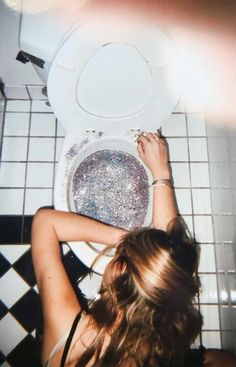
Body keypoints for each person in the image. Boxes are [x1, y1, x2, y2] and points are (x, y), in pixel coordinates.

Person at [31, 132, 236, 367]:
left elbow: (44, 222)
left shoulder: (70, 337)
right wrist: (160, 175)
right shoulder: (160, 345)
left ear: (117, 270)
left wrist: (129, 242)